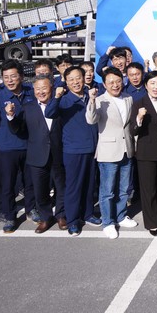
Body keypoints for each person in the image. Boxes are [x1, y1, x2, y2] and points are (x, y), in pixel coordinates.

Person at [45, 66, 100, 236]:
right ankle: (73, 220)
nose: (76, 82)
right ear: (66, 82)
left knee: (89, 185)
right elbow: (49, 113)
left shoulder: (91, 96)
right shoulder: (64, 100)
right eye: (71, 79)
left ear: (84, 79)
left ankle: (88, 214)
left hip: (92, 149)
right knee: (74, 187)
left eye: (78, 78)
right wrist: (56, 97)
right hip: (73, 150)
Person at [7, 74, 65, 233]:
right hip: (37, 155)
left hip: (58, 154)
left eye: (44, 88)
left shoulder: (61, 104)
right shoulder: (28, 107)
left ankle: (61, 215)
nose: (41, 92)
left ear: (52, 88)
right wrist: (11, 116)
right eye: (37, 89)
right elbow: (18, 129)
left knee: (61, 187)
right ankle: (46, 217)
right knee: (40, 190)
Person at [86, 68, 137, 239]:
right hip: (108, 151)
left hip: (127, 148)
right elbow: (91, 119)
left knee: (124, 188)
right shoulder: (100, 100)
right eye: (111, 82)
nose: (115, 85)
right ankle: (108, 222)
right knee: (107, 190)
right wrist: (92, 100)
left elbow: (128, 124)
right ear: (104, 84)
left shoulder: (128, 98)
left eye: (118, 81)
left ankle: (121, 216)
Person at [0, 59, 36, 233]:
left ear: (21, 77)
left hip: (30, 146)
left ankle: (31, 209)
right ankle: (9, 216)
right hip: (8, 148)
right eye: (6, 77)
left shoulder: (31, 93)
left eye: (13, 76)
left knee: (30, 182)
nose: (9, 80)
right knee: (8, 185)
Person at [131, 71, 157, 235]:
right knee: (148, 189)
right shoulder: (139, 103)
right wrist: (139, 118)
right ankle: (152, 222)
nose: (156, 87)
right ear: (146, 85)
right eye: (152, 83)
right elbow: (133, 130)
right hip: (146, 153)